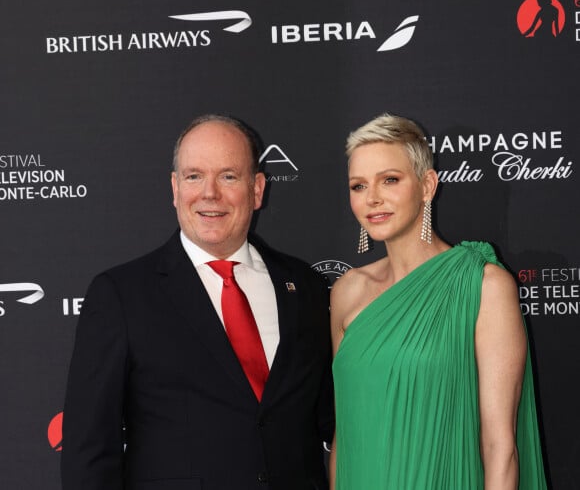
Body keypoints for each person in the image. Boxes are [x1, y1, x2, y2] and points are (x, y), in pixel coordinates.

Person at [61, 114, 334, 490]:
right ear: (174, 188)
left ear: (257, 190)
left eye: (228, 176)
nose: (210, 193)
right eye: (194, 176)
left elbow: (336, 423)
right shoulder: (121, 295)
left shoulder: (305, 286)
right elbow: (88, 451)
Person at [329, 113, 547, 490]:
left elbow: (500, 448)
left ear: (427, 185)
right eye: (358, 185)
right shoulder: (346, 290)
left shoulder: (482, 285)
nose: (372, 198)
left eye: (390, 180)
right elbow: (343, 435)